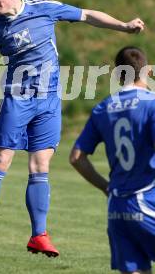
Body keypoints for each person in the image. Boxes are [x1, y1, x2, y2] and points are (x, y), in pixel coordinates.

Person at [0, 0, 144, 257]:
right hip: (17, 99)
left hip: (48, 102)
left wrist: (124, 26)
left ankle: (39, 234)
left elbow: (87, 15)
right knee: (1, 159)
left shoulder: (43, 8)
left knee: (40, 166)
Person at [70, 46, 155, 274]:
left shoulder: (103, 108)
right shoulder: (152, 104)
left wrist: (106, 187)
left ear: (118, 75)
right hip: (147, 201)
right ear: (147, 71)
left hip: (117, 207)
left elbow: (77, 158)